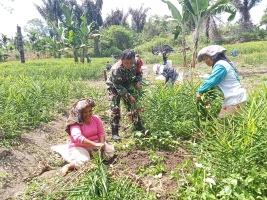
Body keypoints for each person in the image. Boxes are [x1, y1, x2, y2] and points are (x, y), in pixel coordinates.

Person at [60, 98, 115, 176]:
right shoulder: (75, 123)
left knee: (110, 151)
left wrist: (102, 144)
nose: (88, 114)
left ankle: (91, 158)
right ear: (79, 113)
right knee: (84, 161)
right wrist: (94, 144)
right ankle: (70, 165)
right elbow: (77, 137)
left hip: (95, 146)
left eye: (90, 111)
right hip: (80, 147)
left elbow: (101, 133)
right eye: (85, 112)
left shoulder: (96, 119)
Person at [196, 45, 247, 118]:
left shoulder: (221, 65)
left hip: (234, 99)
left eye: (207, 58)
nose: (205, 61)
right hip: (236, 98)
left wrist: (200, 91)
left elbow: (212, 80)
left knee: (222, 126)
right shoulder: (222, 64)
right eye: (204, 59)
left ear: (214, 56)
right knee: (230, 126)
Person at [106, 49, 146, 141]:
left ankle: (138, 127)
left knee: (132, 106)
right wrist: (128, 95)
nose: (129, 65)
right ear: (121, 59)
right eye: (126, 63)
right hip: (114, 86)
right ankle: (115, 133)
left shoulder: (136, 62)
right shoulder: (115, 69)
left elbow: (139, 72)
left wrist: (138, 81)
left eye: (131, 63)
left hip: (126, 83)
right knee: (115, 108)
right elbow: (117, 86)